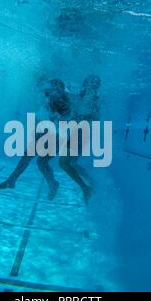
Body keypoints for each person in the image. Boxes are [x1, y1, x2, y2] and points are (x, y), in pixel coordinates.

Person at [0, 78, 71, 200]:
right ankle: (13, 180)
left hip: (55, 136)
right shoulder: (48, 98)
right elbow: (41, 116)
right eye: (51, 87)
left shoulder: (63, 101)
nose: (51, 90)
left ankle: (51, 183)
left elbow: (64, 118)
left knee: (40, 162)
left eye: (54, 88)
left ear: (60, 89)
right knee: (36, 161)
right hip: (44, 133)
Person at [59, 75, 102, 204]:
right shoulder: (79, 98)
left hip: (81, 133)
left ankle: (86, 188)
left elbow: (94, 118)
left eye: (93, 85)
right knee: (71, 163)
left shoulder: (94, 100)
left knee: (63, 163)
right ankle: (92, 183)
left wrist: (81, 118)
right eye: (89, 84)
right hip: (80, 133)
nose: (89, 87)